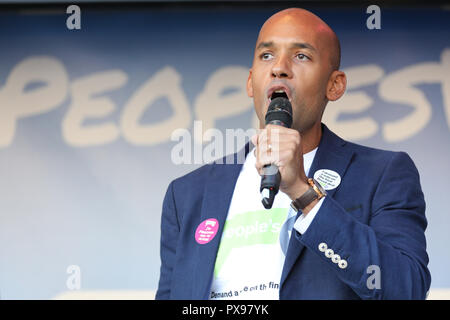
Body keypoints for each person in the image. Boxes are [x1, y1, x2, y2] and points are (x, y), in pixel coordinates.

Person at [156, 8, 431, 300]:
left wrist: (304, 194)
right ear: (251, 82)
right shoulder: (187, 194)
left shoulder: (382, 174)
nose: (279, 68)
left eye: (301, 56)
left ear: (334, 85)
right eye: (267, 55)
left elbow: (406, 289)